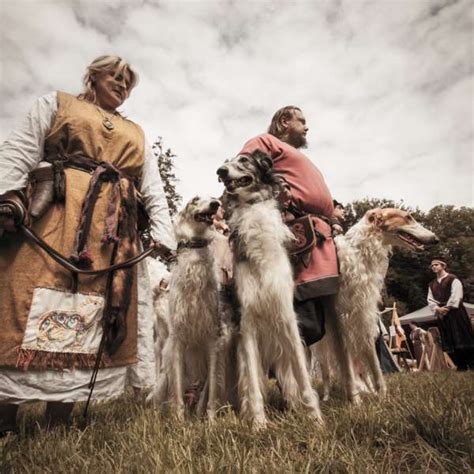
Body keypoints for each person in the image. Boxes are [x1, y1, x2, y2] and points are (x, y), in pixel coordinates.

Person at [0, 55, 175, 434]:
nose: (121, 83)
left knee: (89, 311)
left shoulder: (136, 132)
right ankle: (5, 419)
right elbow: (20, 149)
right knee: (25, 298)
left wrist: (163, 229)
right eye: (114, 75)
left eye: (127, 81)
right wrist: (6, 194)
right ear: (93, 76)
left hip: (111, 234)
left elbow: (153, 184)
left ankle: (58, 421)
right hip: (54, 215)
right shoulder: (58, 104)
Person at [239, 106, 338, 346]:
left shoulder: (297, 156)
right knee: (302, 319)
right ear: (284, 121)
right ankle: (285, 375)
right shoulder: (266, 142)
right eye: (301, 121)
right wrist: (275, 206)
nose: (307, 126)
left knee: (317, 322)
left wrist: (333, 219)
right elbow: (240, 175)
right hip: (292, 239)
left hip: (319, 239)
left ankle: (293, 375)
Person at [428, 259, 474, 370]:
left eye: (436, 264)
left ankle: (472, 364)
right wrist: (437, 309)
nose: (434, 267)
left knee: (463, 337)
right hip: (442, 315)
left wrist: (447, 308)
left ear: (443, 266)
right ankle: (461, 365)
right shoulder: (432, 284)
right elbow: (430, 299)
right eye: (432, 265)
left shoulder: (453, 279)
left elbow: (456, 295)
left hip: (456, 313)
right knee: (450, 339)